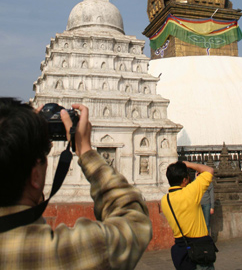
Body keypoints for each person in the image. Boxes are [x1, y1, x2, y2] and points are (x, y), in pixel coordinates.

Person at [0, 98, 152, 269]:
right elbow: (134, 221)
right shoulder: (71, 253)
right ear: (35, 177)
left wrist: (24, 139)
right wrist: (85, 151)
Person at [161, 160, 215, 270]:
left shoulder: (165, 200)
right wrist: (188, 164)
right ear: (185, 180)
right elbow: (209, 170)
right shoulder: (191, 192)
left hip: (181, 250)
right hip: (199, 249)